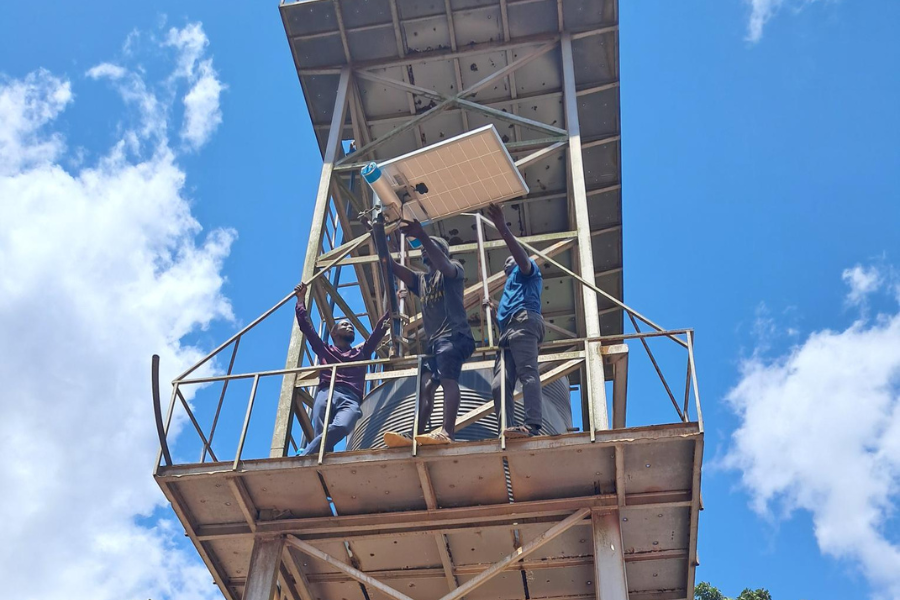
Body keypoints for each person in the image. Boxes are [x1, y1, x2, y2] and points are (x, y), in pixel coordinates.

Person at [383, 219, 476, 446]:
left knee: (447, 380)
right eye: (423, 247)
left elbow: (444, 266)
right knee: (426, 387)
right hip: (435, 342)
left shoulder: (453, 269)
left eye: (429, 246)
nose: (423, 249)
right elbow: (391, 267)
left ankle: (447, 431)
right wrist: (379, 239)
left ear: (441, 251)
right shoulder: (421, 280)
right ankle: (416, 435)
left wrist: (422, 235)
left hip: (454, 336)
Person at [293, 282, 390, 456]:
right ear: (334, 334)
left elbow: (377, 333)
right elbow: (306, 327)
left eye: (350, 326)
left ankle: (307, 452)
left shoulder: (361, 353)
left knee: (344, 425)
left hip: (350, 398)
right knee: (321, 431)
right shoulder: (325, 350)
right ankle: (319, 458)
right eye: (344, 325)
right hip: (326, 392)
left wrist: (393, 304)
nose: (349, 327)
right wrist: (301, 299)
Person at [485, 203, 545, 438]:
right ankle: (506, 428)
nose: (506, 262)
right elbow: (502, 317)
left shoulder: (528, 271)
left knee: (528, 372)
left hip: (523, 323)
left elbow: (521, 257)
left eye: (510, 259)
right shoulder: (511, 285)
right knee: (499, 385)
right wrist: (492, 311)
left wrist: (503, 228)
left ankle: (532, 425)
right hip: (507, 331)